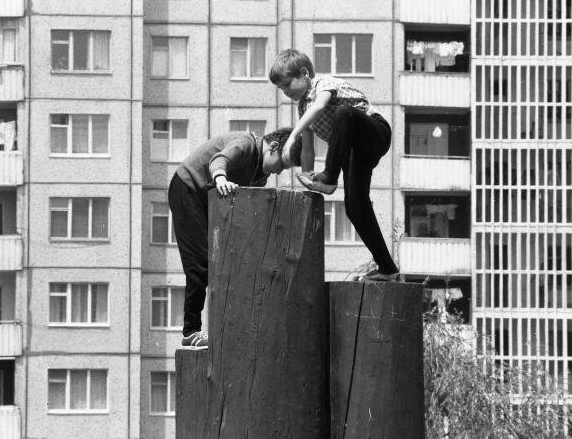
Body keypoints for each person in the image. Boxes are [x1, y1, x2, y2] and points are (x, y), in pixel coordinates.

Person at [269, 48, 400, 282]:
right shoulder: (302, 107)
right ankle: (387, 268)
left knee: (343, 113)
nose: (286, 92)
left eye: (288, 85)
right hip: (354, 152)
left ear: (305, 73)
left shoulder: (323, 84)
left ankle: (330, 178)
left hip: (375, 132)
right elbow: (308, 148)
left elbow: (320, 107)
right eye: (281, 89)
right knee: (354, 206)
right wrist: (307, 176)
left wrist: (292, 137)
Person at [169, 127, 302, 347]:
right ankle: (191, 331)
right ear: (274, 147)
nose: (279, 172)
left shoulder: (259, 177)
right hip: (188, 188)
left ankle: (228, 328)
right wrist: (221, 178)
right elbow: (219, 160)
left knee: (225, 263)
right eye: (281, 164)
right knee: (200, 263)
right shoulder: (247, 144)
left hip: (206, 201)